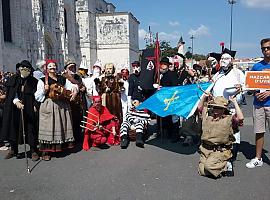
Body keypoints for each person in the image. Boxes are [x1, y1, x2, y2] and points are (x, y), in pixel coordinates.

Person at [35, 60, 78, 161]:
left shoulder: (62, 79)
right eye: (50, 67)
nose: (52, 69)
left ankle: (60, 147)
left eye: (54, 67)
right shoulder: (42, 80)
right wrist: (45, 91)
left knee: (61, 125)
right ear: (46, 68)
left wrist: (74, 90)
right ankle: (46, 151)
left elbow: (71, 86)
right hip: (49, 104)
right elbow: (37, 96)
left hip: (62, 104)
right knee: (48, 127)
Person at [0, 60, 39, 161]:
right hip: (14, 110)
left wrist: (35, 105)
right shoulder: (13, 79)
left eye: (27, 69)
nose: (24, 70)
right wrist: (16, 101)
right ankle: (14, 149)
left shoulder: (34, 81)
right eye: (23, 68)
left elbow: (37, 95)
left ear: (30, 70)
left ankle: (33, 150)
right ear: (19, 69)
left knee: (30, 129)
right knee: (13, 128)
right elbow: (11, 94)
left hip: (29, 108)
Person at [211, 48, 245, 160]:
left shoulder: (238, 73)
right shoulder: (217, 74)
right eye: (222, 58)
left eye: (226, 58)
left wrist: (241, 88)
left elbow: (246, 87)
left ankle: (233, 152)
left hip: (232, 107)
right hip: (218, 107)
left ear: (232, 60)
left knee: (233, 130)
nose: (223, 61)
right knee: (220, 130)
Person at [198, 95, 244, 178]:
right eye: (214, 107)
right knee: (202, 171)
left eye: (219, 108)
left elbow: (240, 118)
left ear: (224, 109)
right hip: (205, 149)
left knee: (209, 167)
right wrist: (204, 97)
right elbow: (200, 108)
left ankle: (226, 164)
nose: (216, 110)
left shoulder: (229, 119)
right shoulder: (208, 117)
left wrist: (234, 102)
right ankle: (217, 165)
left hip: (220, 150)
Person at [246, 38, 270, 168]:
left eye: (268, 47)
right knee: (259, 131)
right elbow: (251, 86)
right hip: (258, 104)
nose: (266, 50)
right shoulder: (257, 66)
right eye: (263, 48)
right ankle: (258, 158)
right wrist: (255, 93)